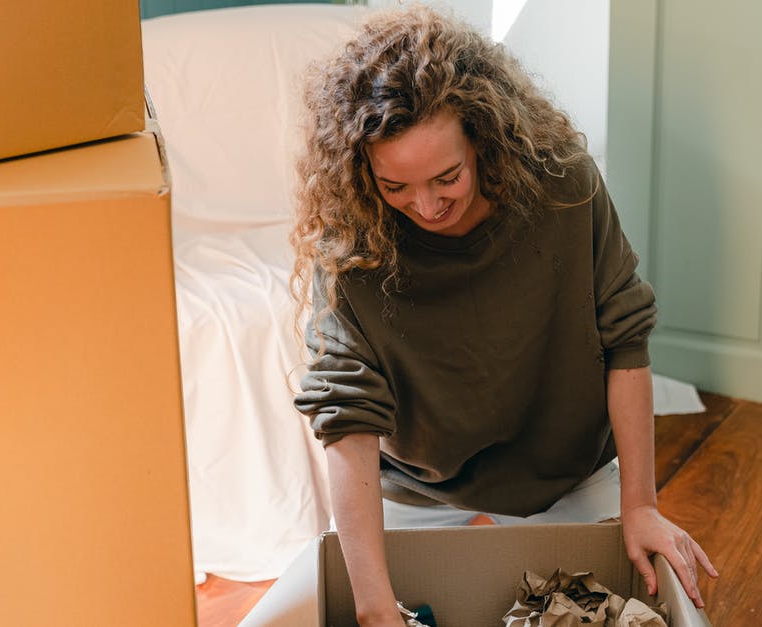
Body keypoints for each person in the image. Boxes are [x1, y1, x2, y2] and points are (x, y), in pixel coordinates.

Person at [289, 6, 717, 625]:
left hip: (567, 470)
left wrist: (641, 504)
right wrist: (376, 609)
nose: (426, 205)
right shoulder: (352, 242)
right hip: (417, 483)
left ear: (483, 138)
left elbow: (625, 342)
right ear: (363, 176)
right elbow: (347, 415)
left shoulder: (564, 185)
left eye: (447, 177)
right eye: (395, 187)